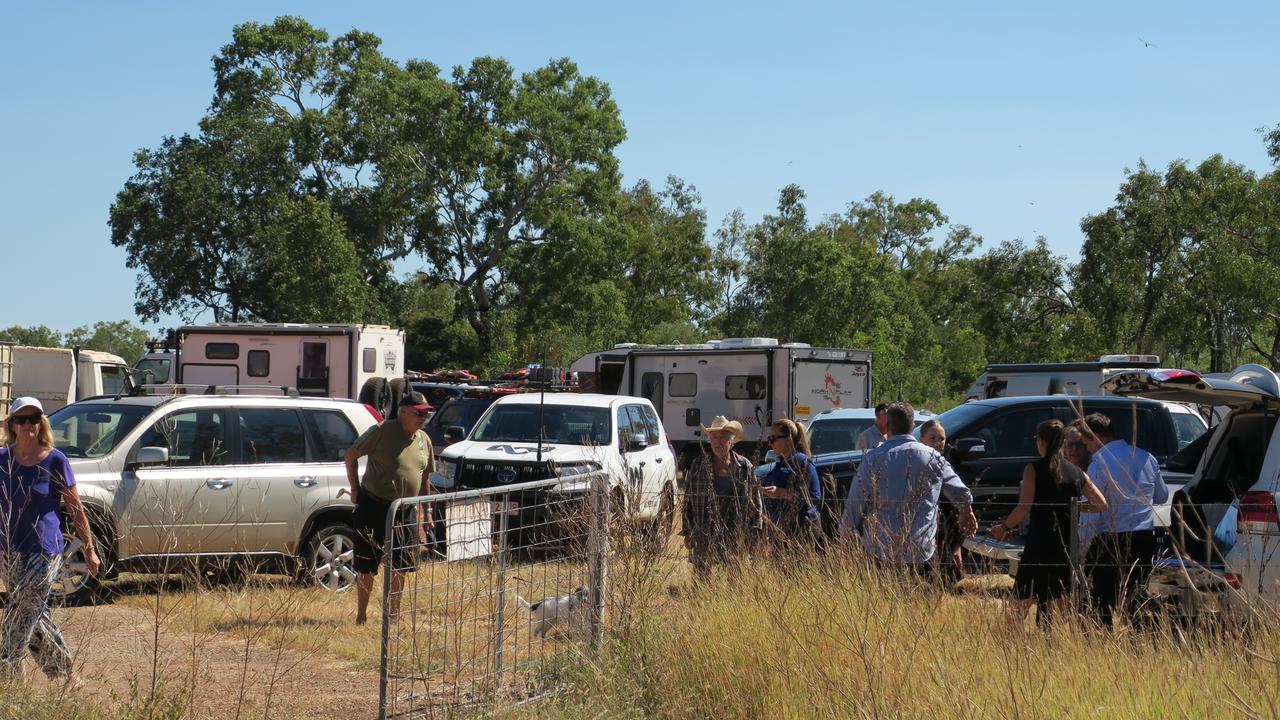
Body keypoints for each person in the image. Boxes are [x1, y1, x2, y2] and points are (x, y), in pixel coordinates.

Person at [1, 397, 98, 687]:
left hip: (45, 550)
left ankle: (7, 678)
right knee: (33, 611)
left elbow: (76, 509)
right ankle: (67, 677)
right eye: (22, 419)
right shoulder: (2, 460)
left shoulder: (56, 460)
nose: (28, 425)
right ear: (13, 425)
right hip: (8, 550)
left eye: (33, 419)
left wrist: (90, 551)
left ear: (41, 423)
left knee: (19, 613)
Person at [990, 419, 1108, 624]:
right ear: (1063, 443)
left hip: (1038, 545)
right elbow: (1101, 504)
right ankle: (1055, 649)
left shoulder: (1033, 469)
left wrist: (1004, 527)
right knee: (1059, 607)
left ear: (1041, 442)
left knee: (1019, 606)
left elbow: (1024, 507)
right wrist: (1075, 506)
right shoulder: (1076, 472)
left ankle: (1009, 647)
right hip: (1065, 547)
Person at [841, 402, 978, 575]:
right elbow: (959, 490)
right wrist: (967, 511)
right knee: (918, 600)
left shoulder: (872, 459)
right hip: (921, 550)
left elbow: (855, 502)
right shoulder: (933, 457)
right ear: (913, 426)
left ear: (887, 426)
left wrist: (845, 535)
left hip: (880, 548)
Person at [344, 391, 435, 625]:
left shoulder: (424, 440)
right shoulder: (383, 430)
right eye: (418, 413)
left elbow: (424, 480)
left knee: (401, 565)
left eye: (426, 414)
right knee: (367, 564)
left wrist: (427, 513)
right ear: (403, 412)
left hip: (405, 510)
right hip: (373, 504)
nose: (423, 418)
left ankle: (392, 615)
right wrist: (354, 489)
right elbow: (351, 456)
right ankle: (361, 615)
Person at [1075, 413, 1168, 628]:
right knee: (1137, 594)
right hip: (1144, 536)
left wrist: (1083, 546)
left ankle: (1103, 639)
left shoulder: (1099, 463)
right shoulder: (1148, 457)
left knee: (1103, 598)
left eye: (1086, 441)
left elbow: (1092, 512)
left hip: (1111, 538)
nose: (1086, 448)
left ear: (1096, 436)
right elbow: (1162, 496)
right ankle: (1140, 639)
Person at [680, 416, 761, 578]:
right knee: (702, 577)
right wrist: (688, 530)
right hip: (704, 529)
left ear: (732, 441)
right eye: (714, 438)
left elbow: (756, 503)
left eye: (723, 438)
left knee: (735, 577)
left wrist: (754, 533)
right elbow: (688, 499)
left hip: (735, 532)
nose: (718, 442)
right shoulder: (698, 464)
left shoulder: (744, 466)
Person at [759, 419, 822, 544]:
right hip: (782, 530)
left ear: (788, 439)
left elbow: (814, 497)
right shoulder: (781, 462)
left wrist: (782, 493)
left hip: (802, 529)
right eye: (769, 439)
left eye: (773, 438)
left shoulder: (802, 462)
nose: (770, 443)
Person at [920, 419, 964, 582]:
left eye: (941, 439)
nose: (938, 443)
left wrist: (957, 545)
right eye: (932, 438)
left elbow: (958, 506)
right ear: (921, 439)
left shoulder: (949, 464)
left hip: (945, 529)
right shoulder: (915, 463)